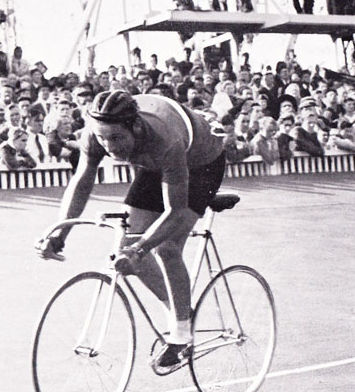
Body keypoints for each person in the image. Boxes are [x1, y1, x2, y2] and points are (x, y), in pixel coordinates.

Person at [35, 90, 226, 374]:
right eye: (103, 138)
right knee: (126, 244)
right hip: (151, 163)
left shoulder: (165, 139)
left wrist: (140, 250)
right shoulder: (97, 131)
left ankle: (182, 335)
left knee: (166, 247)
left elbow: (173, 213)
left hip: (200, 164)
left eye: (116, 138)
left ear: (135, 126)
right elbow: (82, 180)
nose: (109, 147)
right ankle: (179, 310)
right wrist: (59, 233)